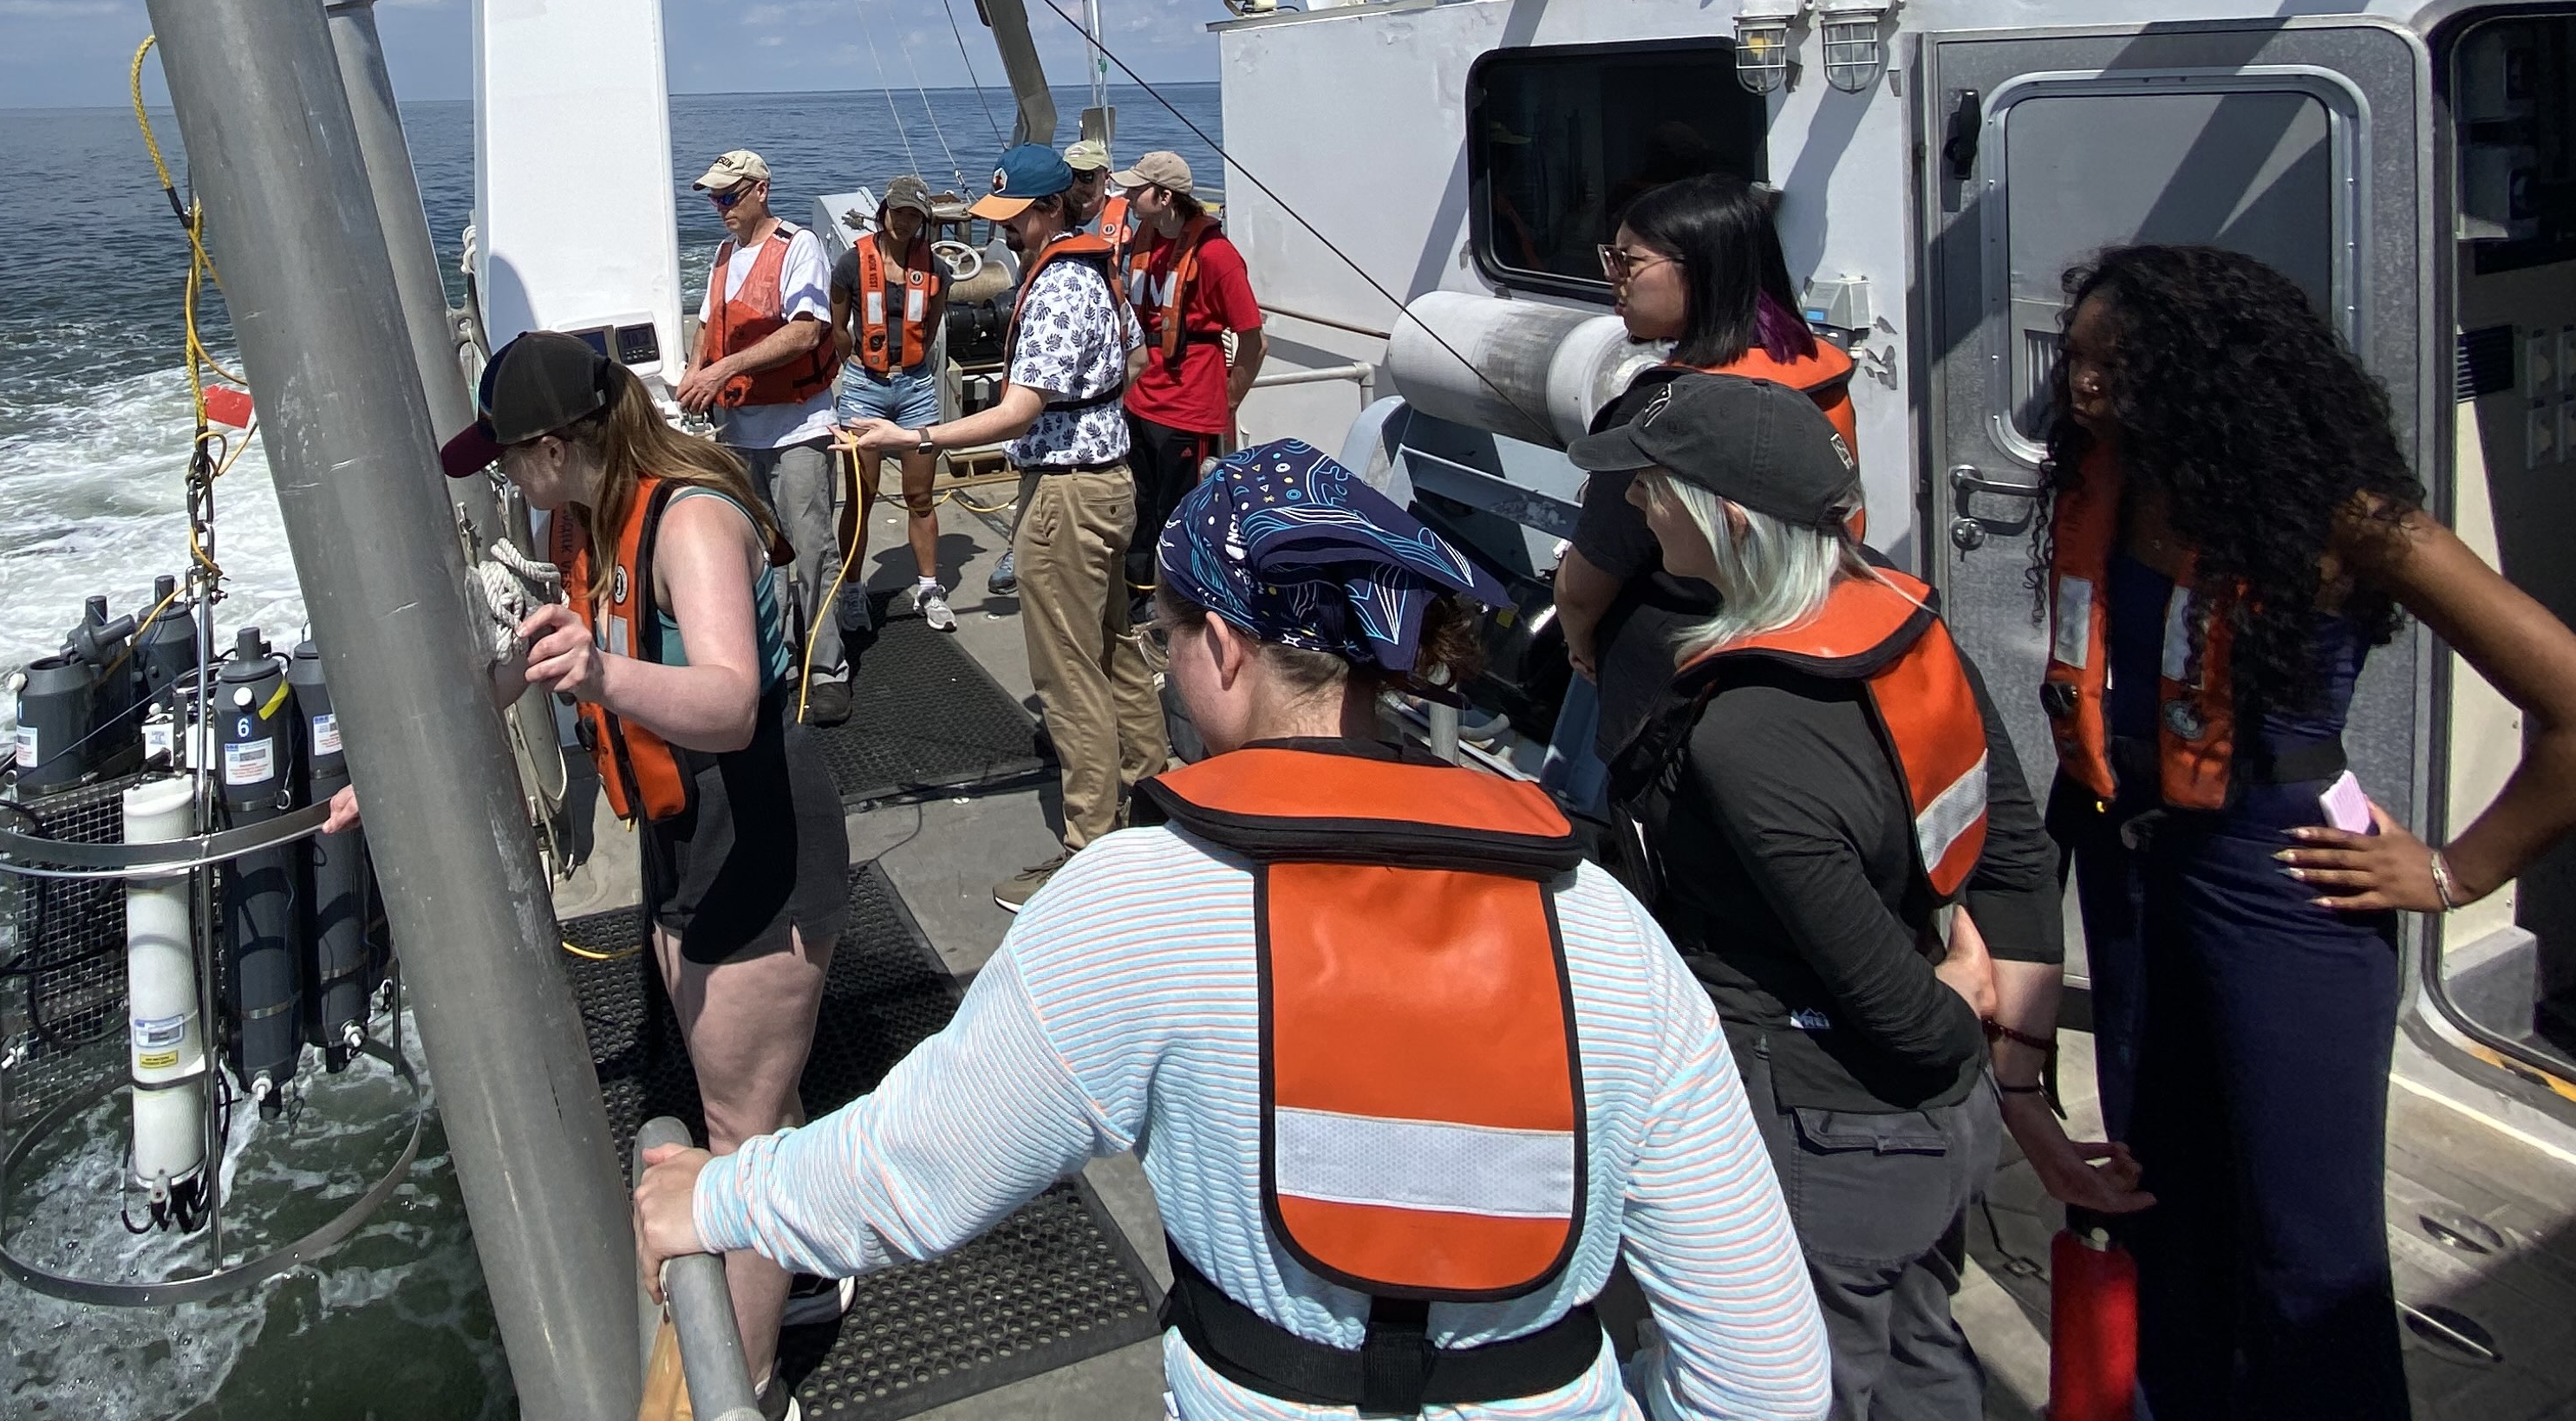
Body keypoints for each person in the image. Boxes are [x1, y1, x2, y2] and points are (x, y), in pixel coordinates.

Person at [633, 439, 1832, 1420]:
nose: (1161, 669)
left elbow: (918, 1167)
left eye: (1162, 637)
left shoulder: (1141, 906)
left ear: (1221, 645)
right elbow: (1768, 1378)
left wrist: (721, 1199)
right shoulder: (1606, 929)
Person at [2036, 244, 2576, 1419]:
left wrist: (2450, 871)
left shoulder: (2346, 514)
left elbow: (2571, 704)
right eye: (2073, 359)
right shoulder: (2105, 484)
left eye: (2114, 364)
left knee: (2306, 1250)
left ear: (2204, 371)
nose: (2082, 388)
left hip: (2283, 888)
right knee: (2159, 1197)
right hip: (2134, 881)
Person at [1573, 373, 2090, 1418]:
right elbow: (2017, 859)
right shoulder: (1909, 629)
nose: (1635, 506)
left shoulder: (1746, 736)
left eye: (1653, 488)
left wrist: (1954, 996)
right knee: (1923, 1362)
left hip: (1820, 1142)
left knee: (1795, 1385)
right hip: (1936, 1146)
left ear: (1723, 515)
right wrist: (2017, 1084)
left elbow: (1913, 1023)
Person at [442, 329, 846, 1392]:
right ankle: (793, 1267)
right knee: (752, 1097)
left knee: (739, 1130)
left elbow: (729, 695)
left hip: (757, 836)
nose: (504, 480)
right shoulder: (589, 521)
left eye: (507, 458)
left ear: (557, 445)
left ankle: (746, 1386)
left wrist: (605, 674)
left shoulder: (689, 517)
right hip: (684, 837)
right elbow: (545, 659)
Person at [845, 142, 1159, 909]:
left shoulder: (1055, 288)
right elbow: (1140, 361)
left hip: (1068, 499)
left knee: (1067, 672)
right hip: (1111, 484)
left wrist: (912, 439)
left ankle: (1090, 848)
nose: (1004, 236)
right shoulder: (1100, 275)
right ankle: (1155, 800)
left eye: (1012, 220)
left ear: (1049, 210)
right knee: (1115, 647)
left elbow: (1018, 411)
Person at [1551, 175, 1861, 800]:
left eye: (1628, 260)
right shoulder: (1815, 375)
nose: (1613, 277)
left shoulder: (1664, 415)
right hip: (1812, 652)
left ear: (1701, 268)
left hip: (1685, 690)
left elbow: (1584, 584)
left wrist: (1582, 646)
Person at [677, 147, 863, 726]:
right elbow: (710, 324)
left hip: (797, 430)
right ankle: (774, 659)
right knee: (758, 554)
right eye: (714, 198)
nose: (720, 208)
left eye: (729, 196)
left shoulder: (797, 247)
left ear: (761, 189)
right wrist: (692, 371)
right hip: (739, 433)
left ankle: (828, 669)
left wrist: (723, 370)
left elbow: (807, 332)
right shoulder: (724, 253)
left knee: (811, 550)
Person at [1116, 148, 1264, 604]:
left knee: (1178, 510)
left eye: (1137, 189)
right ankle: (1139, 592)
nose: (1127, 194)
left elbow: (1253, 340)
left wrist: (1228, 400)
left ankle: (1182, 604)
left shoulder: (1217, 256)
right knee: (1139, 504)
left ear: (1163, 197)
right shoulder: (1146, 237)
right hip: (1141, 396)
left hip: (1186, 407)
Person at [831, 174, 956, 632]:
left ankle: (929, 586)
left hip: (917, 387)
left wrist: (911, 366)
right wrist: (857, 369)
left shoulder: (937, 272)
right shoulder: (850, 265)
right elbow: (838, 326)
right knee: (860, 498)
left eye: (915, 215)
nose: (906, 222)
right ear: (885, 211)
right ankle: (851, 590)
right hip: (865, 386)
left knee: (920, 496)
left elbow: (933, 324)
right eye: (899, 211)